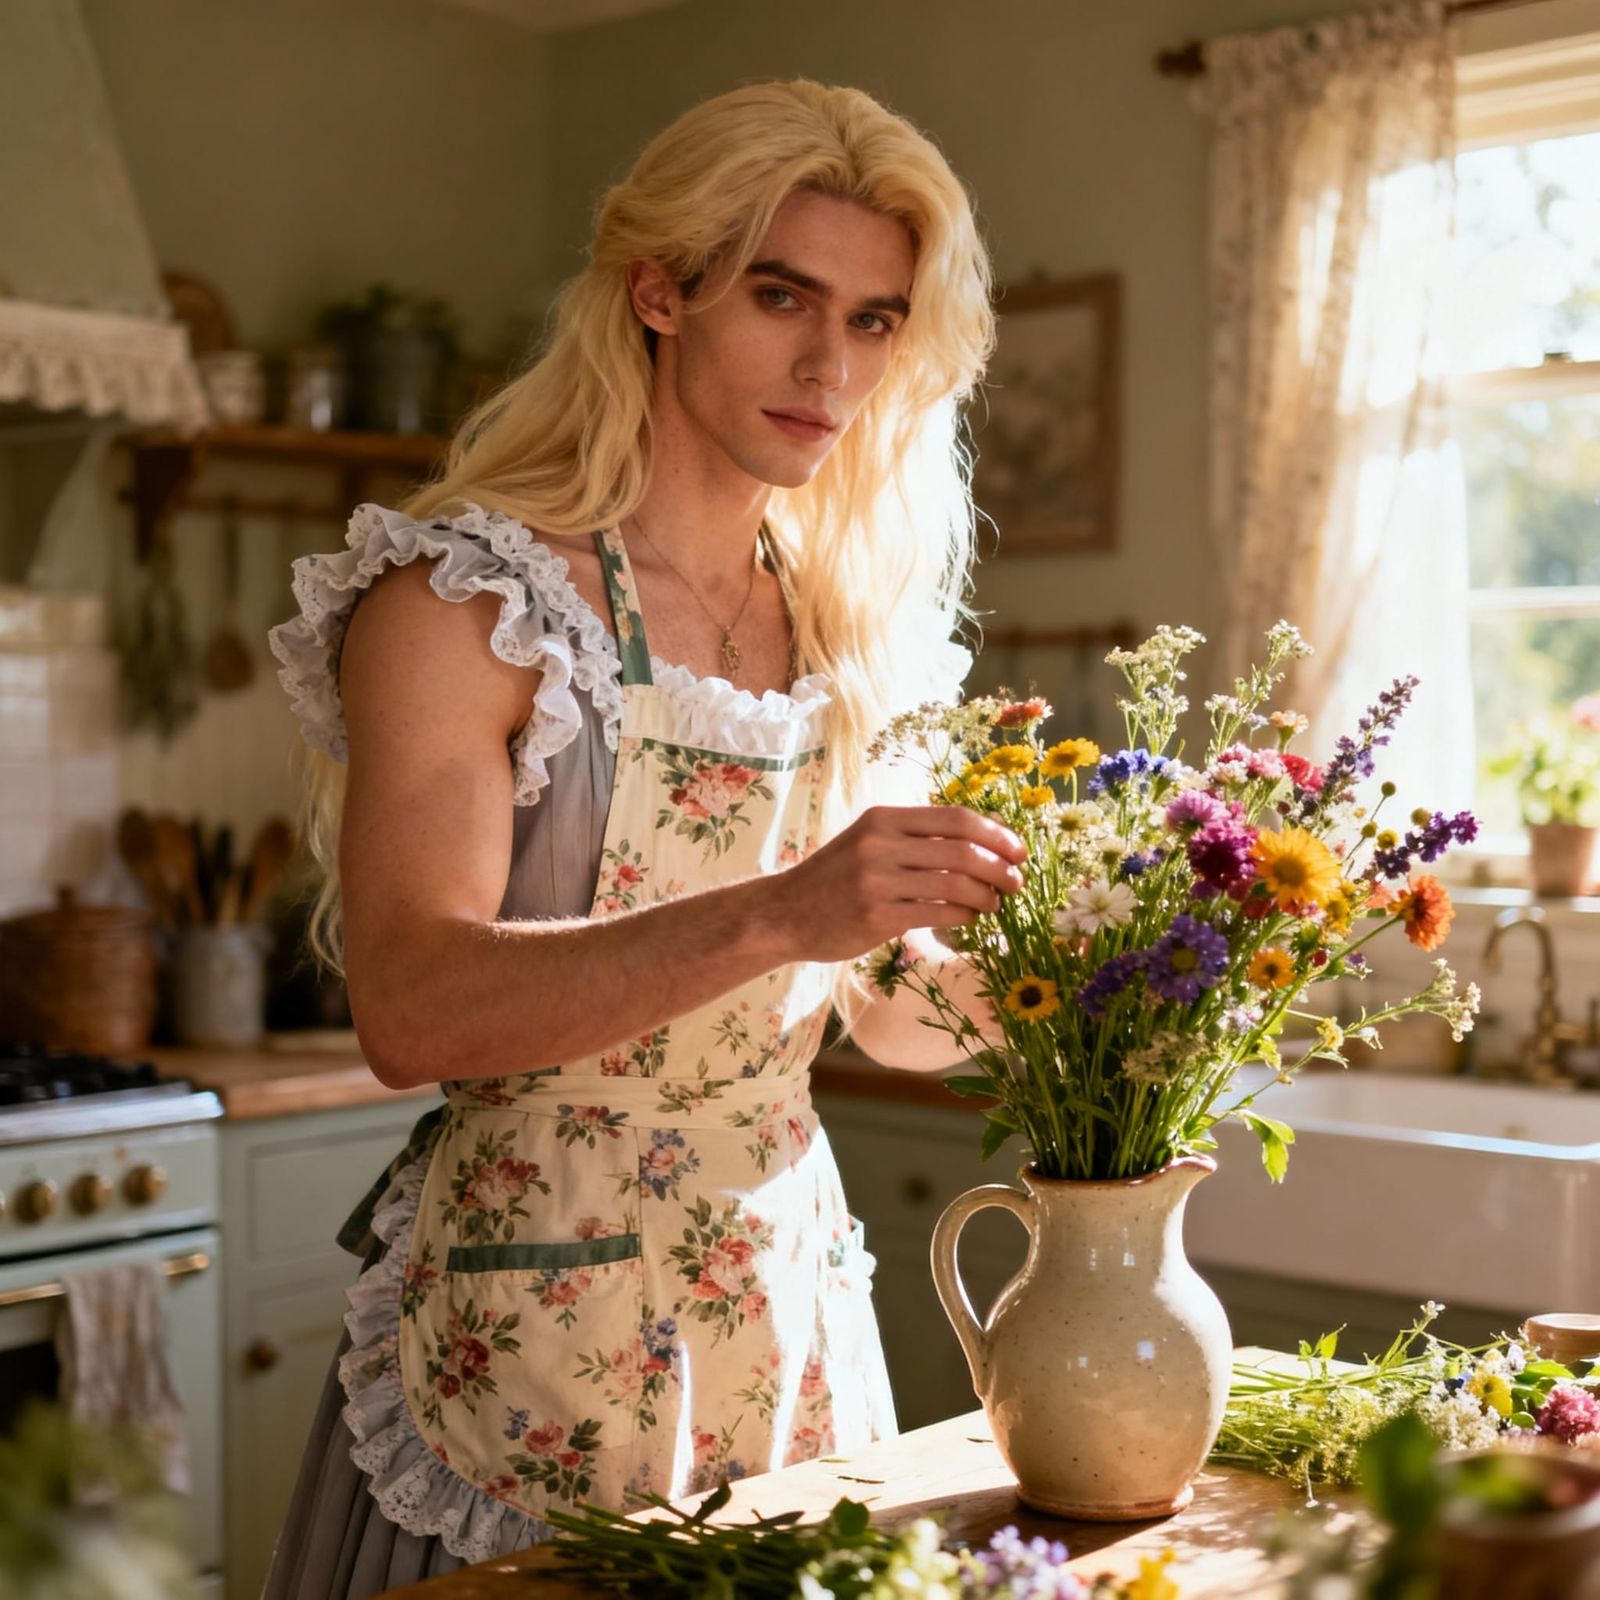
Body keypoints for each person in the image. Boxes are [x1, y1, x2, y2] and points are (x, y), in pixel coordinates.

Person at [262, 78, 1023, 1598]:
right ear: (659, 290)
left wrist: (1095, 994)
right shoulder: (468, 609)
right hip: (527, 1342)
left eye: (876, 320)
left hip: (786, 1311)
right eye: (782, 295)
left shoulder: (853, 633)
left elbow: (881, 1006)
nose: (830, 364)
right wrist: (781, 913)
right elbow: (414, 1010)